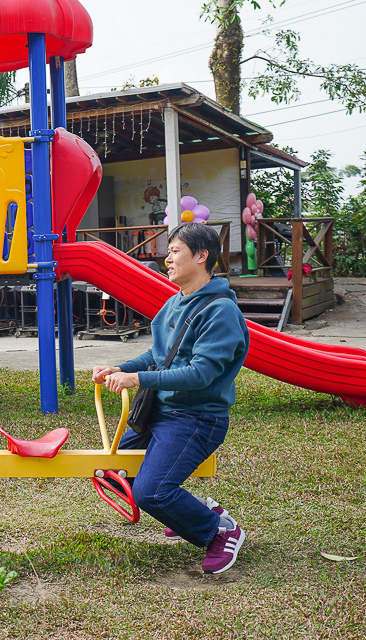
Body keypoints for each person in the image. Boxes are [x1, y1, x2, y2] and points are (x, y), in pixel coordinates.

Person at [93, 222, 249, 574]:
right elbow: (159, 354)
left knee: (152, 492)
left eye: (176, 251)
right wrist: (121, 367)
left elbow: (199, 374)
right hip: (160, 412)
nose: (168, 258)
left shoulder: (220, 311)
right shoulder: (175, 301)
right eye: (169, 251)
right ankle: (188, 514)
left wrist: (136, 378)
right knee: (113, 472)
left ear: (202, 256)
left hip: (196, 418)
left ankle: (220, 531)